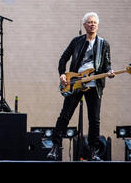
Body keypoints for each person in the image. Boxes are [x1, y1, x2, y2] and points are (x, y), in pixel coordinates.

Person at [47, 12, 115, 161]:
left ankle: (92, 152)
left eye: (94, 22)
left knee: (94, 120)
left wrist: (109, 72)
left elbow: (107, 64)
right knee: (65, 116)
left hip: (94, 85)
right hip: (75, 83)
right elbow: (63, 58)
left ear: (97, 25)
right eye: (89, 22)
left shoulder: (104, 44)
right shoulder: (76, 41)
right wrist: (62, 74)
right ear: (84, 25)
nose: (92, 24)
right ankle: (55, 147)